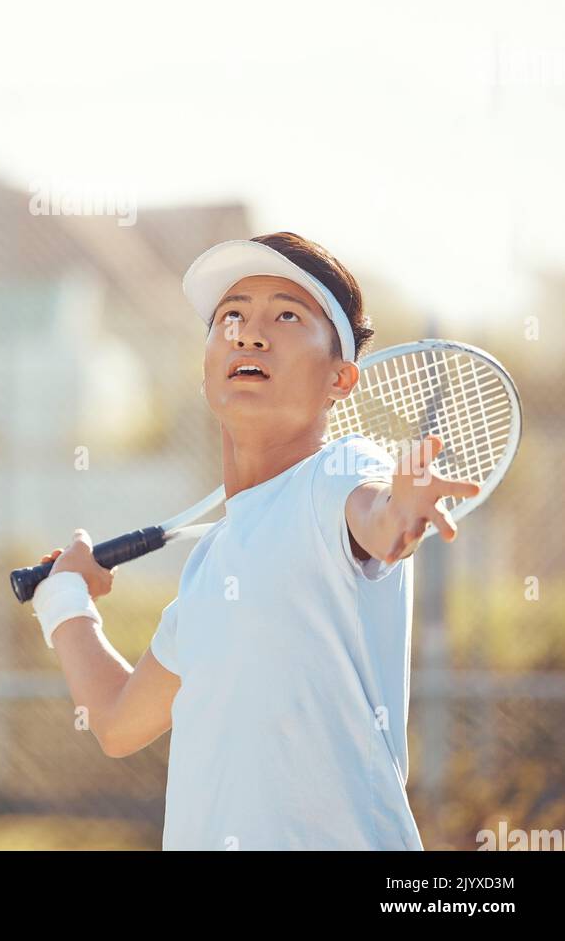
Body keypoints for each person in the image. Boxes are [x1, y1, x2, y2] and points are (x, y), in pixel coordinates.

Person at [30, 232, 480, 851]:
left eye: (287, 315)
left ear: (340, 378)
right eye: (231, 316)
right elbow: (116, 722)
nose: (248, 332)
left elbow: (378, 520)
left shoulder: (341, 471)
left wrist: (401, 507)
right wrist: (65, 600)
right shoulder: (212, 570)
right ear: (210, 362)